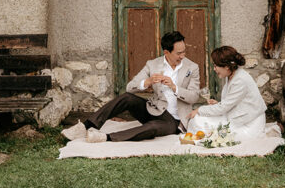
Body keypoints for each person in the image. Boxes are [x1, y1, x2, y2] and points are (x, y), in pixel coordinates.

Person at [61, 31, 200, 142]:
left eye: (184, 51)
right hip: (153, 110)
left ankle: (107, 137)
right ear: (166, 52)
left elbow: (194, 97)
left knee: (152, 127)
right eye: (179, 53)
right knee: (127, 98)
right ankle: (85, 127)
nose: (183, 56)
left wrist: (174, 87)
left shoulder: (192, 67)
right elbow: (130, 87)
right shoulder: (152, 64)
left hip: (174, 121)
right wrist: (148, 82)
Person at [186, 45, 266, 142]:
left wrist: (199, 109)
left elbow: (224, 108)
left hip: (247, 124)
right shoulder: (231, 75)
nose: (214, 69)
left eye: (216, 66)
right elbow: (230, 103)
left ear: (227, 67)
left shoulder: (240, 80)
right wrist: (218, 104)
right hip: (236, 117)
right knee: (199, 120)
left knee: (199, 121)